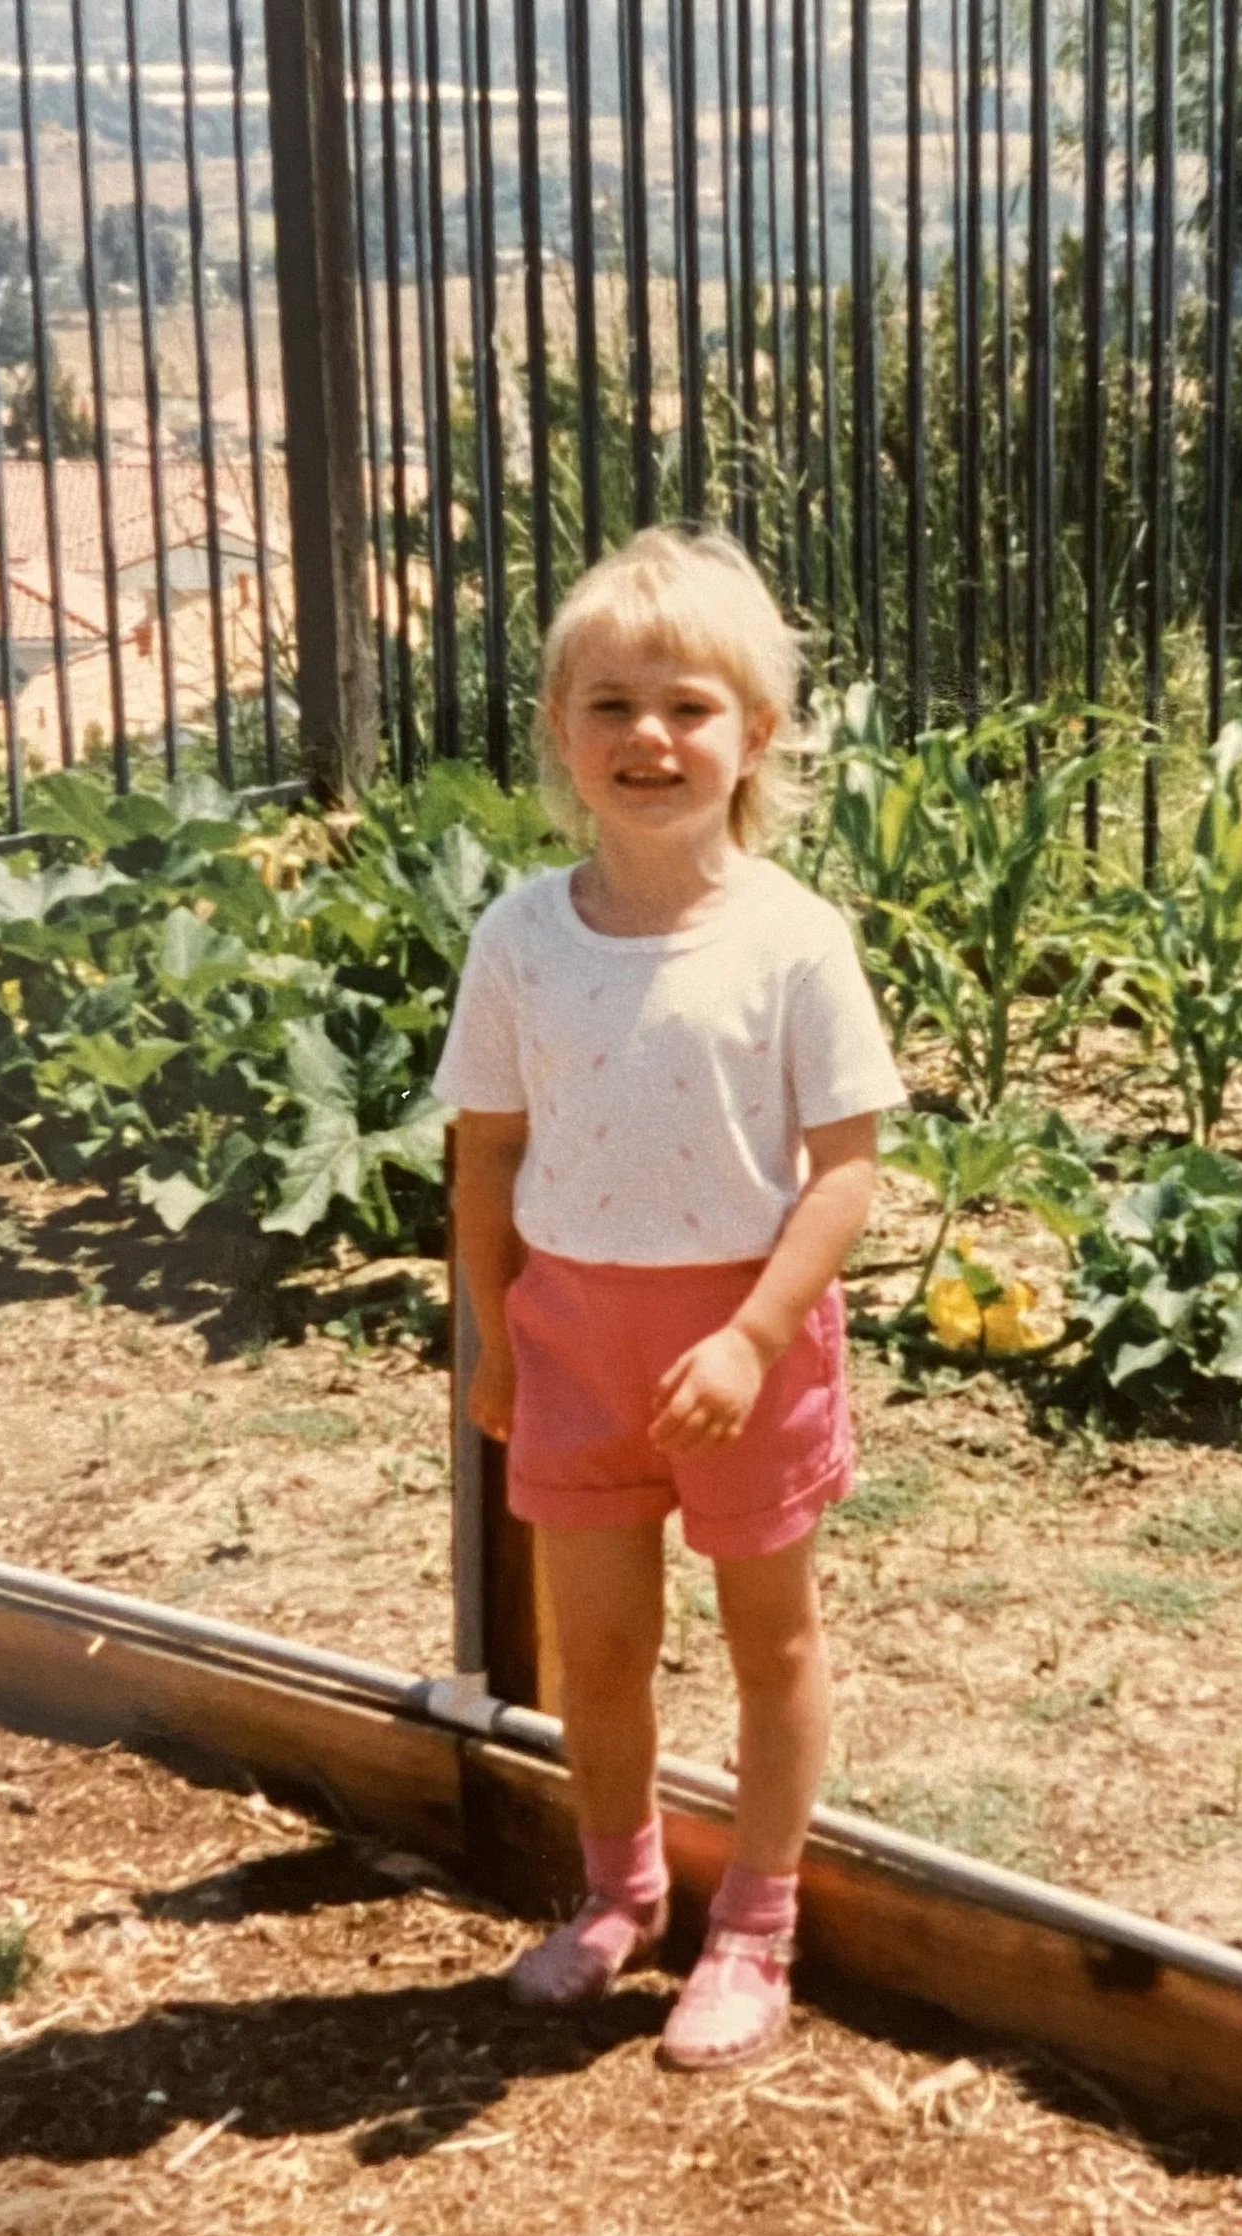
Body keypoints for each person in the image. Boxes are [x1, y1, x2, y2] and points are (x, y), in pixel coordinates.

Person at [435, 527, 903, 2072]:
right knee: (602, 1641)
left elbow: (844, 1170)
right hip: (575, 1337)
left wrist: (757, 1332)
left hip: (743, 1344)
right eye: (612, 703)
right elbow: (488, 1156)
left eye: (690, 704)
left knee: (771, 1637)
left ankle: (757, 1925)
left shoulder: (791, 939)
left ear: (755, 734)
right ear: (562, 734)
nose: (651, 736)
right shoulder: (521, 936)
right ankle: (619, 1888)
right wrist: (499, 1341)